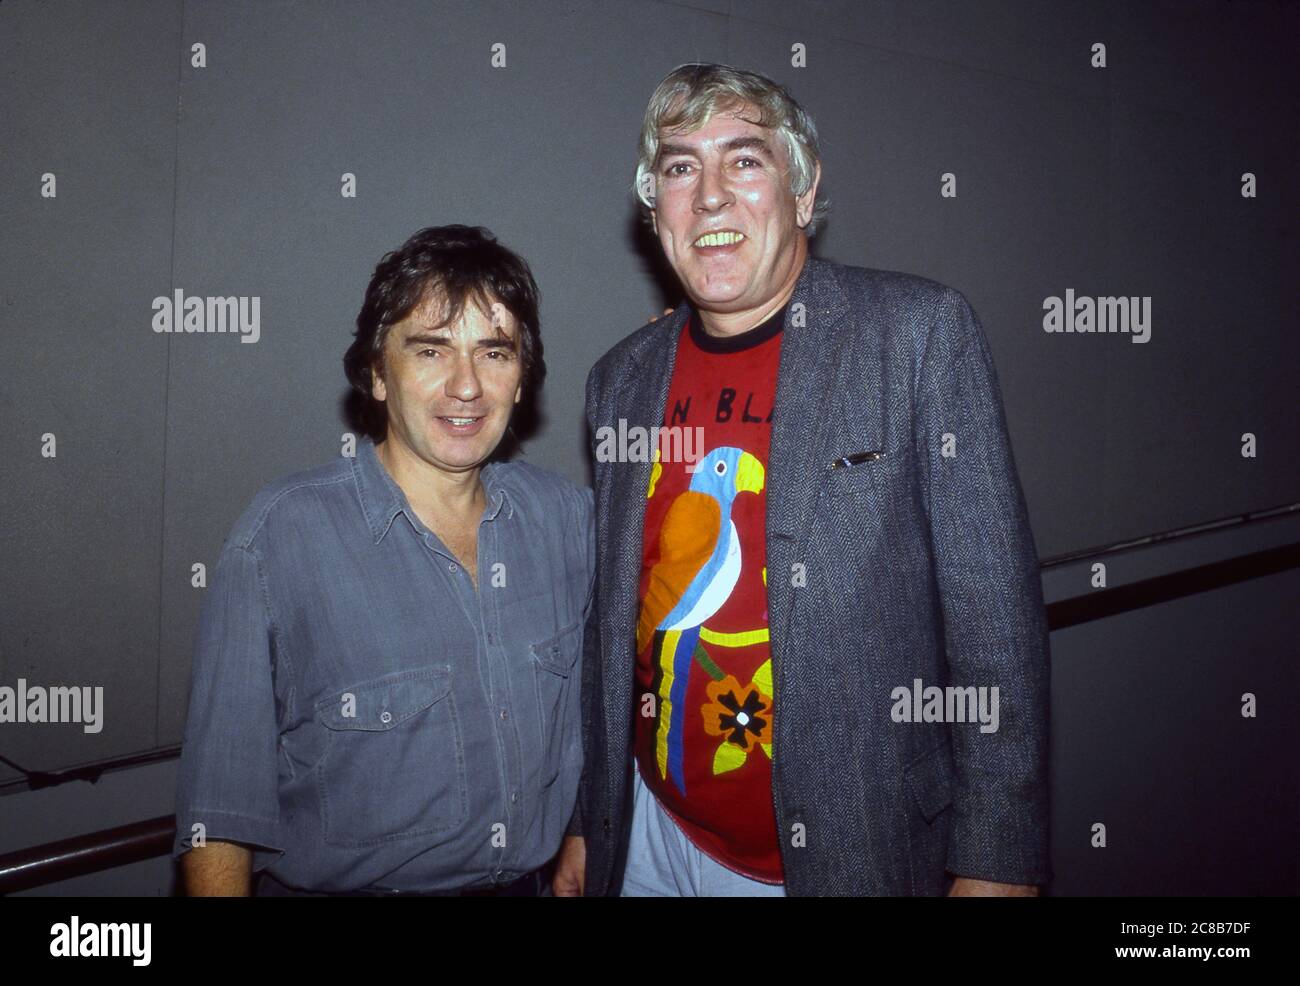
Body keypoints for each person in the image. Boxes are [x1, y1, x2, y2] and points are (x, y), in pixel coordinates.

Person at [556, 64, 1050, 897]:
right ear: (655, 208)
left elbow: (994, 624)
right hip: (648, 834)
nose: (709, 196)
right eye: (680, 167)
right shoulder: (621, 379)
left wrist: (997, 862)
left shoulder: (919, 337)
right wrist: (586, 817)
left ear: (804, 188)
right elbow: (614, 624)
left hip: (843, 858)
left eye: (744, 160)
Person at [174, 225, 593, 896]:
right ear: (376, 372)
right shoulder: (282, 538)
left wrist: (579, 826)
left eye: (494, 352)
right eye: (431, 350)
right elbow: (219, 816)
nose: (466, 386)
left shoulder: (568, 524)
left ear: (522, 381)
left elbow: (602, 708)